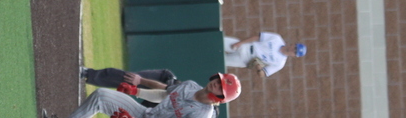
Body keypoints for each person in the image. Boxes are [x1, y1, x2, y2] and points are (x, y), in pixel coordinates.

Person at [59, 71, 241, 118]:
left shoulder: (202, 114)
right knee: (101, 96)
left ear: (221, 98)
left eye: (220, 87)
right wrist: (136, 91)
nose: (216, 83)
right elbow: (163, 95)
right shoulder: (190, 86)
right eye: (218, 80)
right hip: (144, 114)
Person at [81, 67, 179, 107]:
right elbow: (163, 89)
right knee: (129, 80)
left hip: (163, 106)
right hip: (163, 83)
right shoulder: (188, 95)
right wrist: (140, 81)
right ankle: (88, 74)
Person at [223, 34, 307, 77]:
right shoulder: (277, 39)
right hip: (246, 46)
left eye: (295, 52)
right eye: (295, 48)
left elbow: (264, 74)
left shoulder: (280, 63)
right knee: (219, 42)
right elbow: (258, 37)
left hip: (245, 60)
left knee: (221, 61)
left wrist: (259, 67)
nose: (293, 50)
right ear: (293, 44)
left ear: (294, 56)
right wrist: (240, 43)